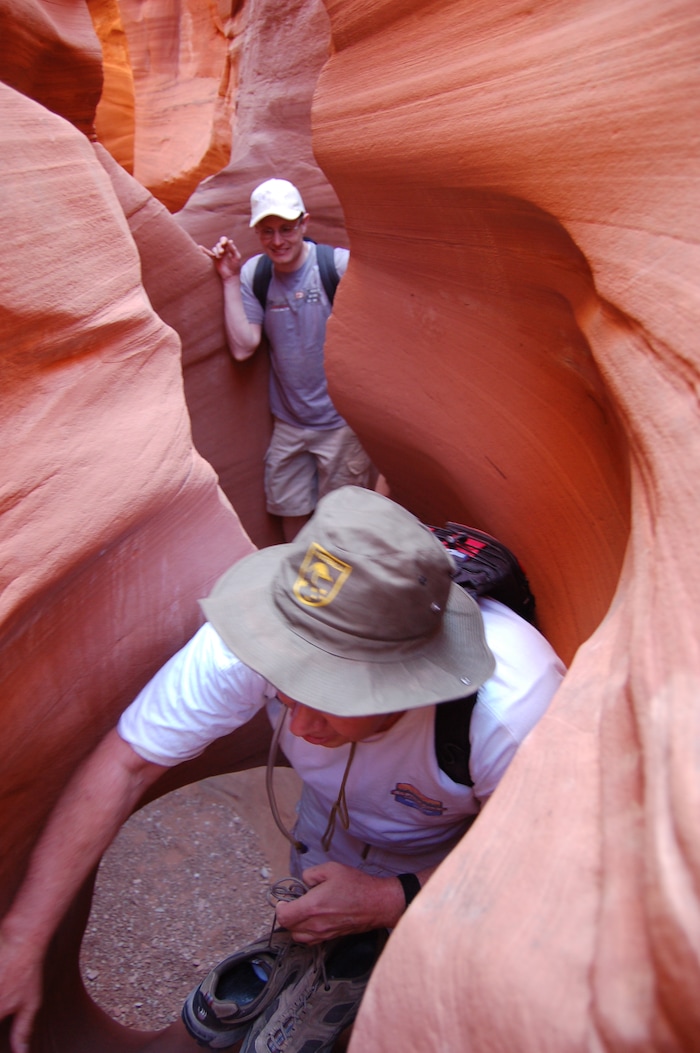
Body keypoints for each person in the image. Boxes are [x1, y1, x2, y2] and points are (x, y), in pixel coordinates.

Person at [0, 486, 565, 1053]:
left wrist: (392, 898)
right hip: (328, 837)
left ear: (411, 678)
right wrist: (22, 940)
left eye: (328, 697)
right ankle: (312, 974)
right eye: (286, 688)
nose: (297, 727)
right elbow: (126, 764)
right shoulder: (262, 636)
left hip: (449, 872)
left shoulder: (508, 714)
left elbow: (538, 869)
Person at [209, 177, 375, 541]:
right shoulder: (256, 274)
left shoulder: (337, 268)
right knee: (291, 517)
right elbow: (242, 346)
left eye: (287, 228)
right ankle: (297, 589)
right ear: (257, 232)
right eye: (267, 232)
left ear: (304, 222)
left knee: (341, 527)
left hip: (340, 425)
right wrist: (229, 280)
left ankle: (337, 596)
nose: (278, 241)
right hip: (289, 423)